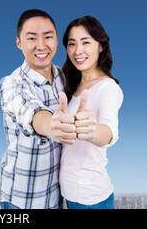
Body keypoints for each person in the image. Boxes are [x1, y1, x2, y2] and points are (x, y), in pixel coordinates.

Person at [0, 9, 65, 209]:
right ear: (19, 43)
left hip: (56, 196)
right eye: (31, 38)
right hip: (22, 200)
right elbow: (30, 112)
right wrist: (52, 124)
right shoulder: (12, 83)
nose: (41, 45)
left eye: (48, 37)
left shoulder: (64, 77)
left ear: (56, 39)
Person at [58, 15, 124, 209]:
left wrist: (91, 130)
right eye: (72, 44)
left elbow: (109, 131)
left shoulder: (108, 89)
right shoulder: (71, 84)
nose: (78, 50)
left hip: (92, 199)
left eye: (86, 42)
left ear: (101, 46)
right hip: (70, 195)